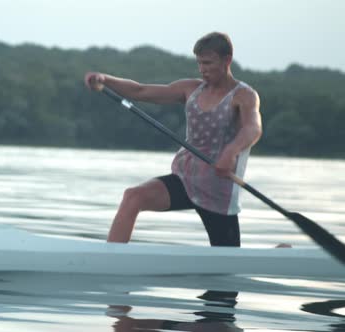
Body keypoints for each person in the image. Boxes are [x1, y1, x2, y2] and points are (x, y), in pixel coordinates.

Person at [84, 32, 262, 246]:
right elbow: (140, 90)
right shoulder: (190, 89)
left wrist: (231, 151)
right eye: (199, 63)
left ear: (227, 60)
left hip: (218, 190)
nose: (202, 69)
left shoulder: (244, 96)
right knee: (133, 197)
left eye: (208, 63)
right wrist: (105, 80)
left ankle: (280, 252)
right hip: (185, 179)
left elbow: (253, 128)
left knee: (230, 260)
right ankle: (110, 258)